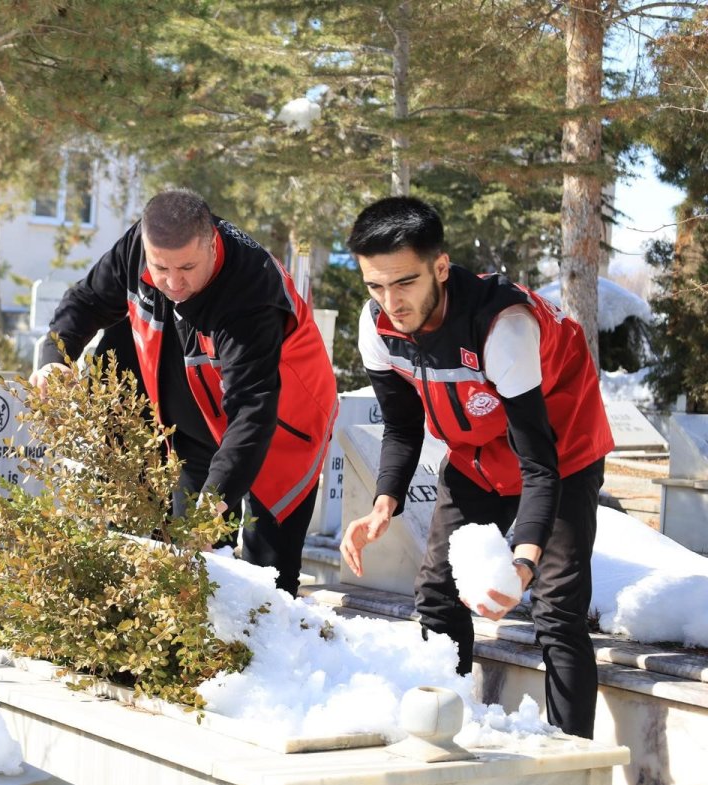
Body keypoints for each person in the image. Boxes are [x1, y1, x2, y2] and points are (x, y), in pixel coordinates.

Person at [340, 196, 613, 738]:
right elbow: (402, 427)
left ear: (440, 267)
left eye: (405, 282)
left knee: (556, 608)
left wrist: (524, 563)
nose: (391, 302)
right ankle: (450, 728)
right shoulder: (377, 325)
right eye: (376, 286)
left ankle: (573, 755)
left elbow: (539, 465)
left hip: (559, 451)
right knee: (436, 592)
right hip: (475, 456)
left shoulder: (503, 327)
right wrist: (383, 504)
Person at [31, 189, 337, 595]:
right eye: (161, 267)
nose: (174, 283)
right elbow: (87, 301)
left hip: (281, 423)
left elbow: (252, 413)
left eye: (188, 267)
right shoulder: (136, 247)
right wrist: (55, 358)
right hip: (196, 418)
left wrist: (214, 504)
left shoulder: (250, 294)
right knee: (187, 564)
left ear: (211, 243)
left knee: (268, 581)